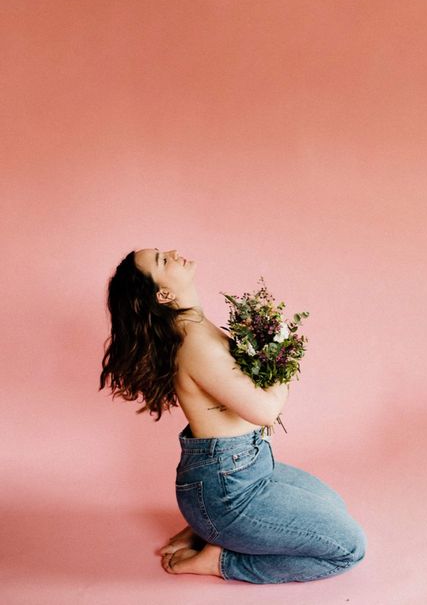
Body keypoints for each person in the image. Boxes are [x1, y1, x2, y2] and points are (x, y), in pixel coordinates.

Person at [99, 247, 367, 584]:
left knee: (334, 508)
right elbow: (266, 411)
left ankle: (204, 527)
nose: (171, 253)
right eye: (162, 261)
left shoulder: (195, 323)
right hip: (228, 490)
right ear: (164, 293)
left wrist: (270, 353)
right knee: (348, 547)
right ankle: (219, 558)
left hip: (250, 468)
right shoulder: (194, 342)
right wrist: (284, 360)